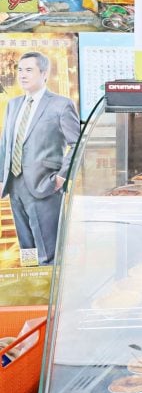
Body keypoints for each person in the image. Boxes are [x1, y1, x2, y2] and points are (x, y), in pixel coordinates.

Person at [0, 52, 80, 266]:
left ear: (44, 74)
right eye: (19, 70)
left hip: (45, 184)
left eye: (29, 70)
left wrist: (62, 177)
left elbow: (77, 143)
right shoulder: (13, 104)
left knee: (47, 251)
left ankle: (49, 294)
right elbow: (5, 144)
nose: (22, 75)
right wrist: (1, 178)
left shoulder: (61, 105)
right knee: (27, 248)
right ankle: (31, 280)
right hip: (14, 184)